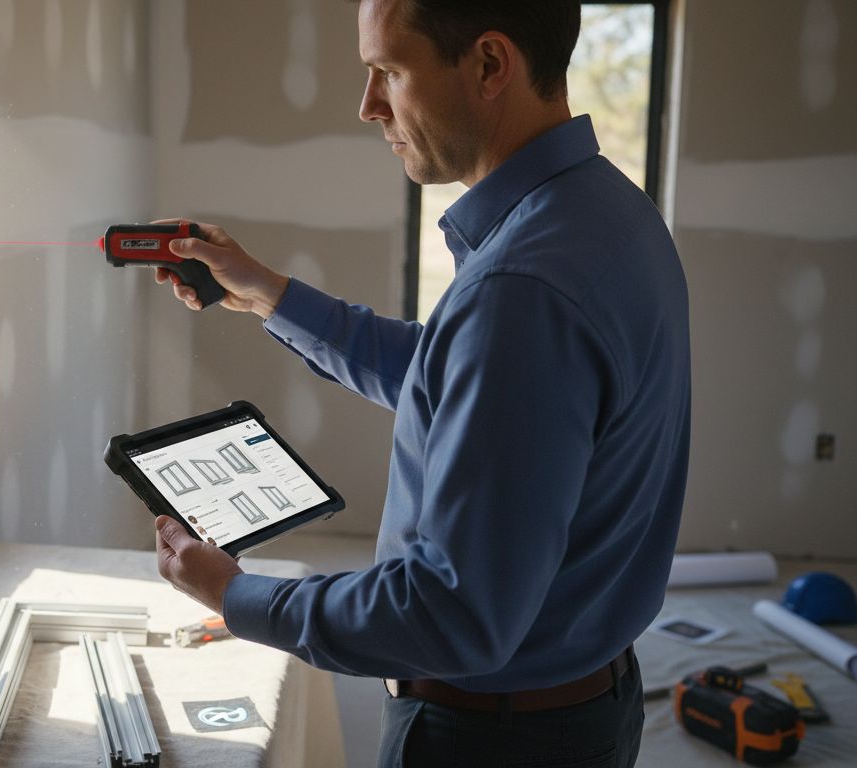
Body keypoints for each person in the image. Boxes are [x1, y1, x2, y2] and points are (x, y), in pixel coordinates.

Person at [150, 1, 690, 766]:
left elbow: (451, 615)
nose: (368, 105)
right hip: (578, 704)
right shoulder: (607, 213)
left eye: (390, 72)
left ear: (490, 65)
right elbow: (467, 382)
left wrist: (238, 596)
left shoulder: (522, 288)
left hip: (490, 738)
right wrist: (268, 293)